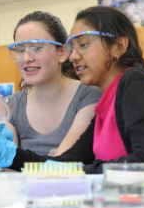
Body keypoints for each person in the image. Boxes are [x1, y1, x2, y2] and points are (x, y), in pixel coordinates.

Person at [0, 6, 144, 173]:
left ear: (118, 47)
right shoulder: (107, 104)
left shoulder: (137, 83)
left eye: (84, 45)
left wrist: (83, 173)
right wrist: (8, 155)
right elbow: (67, 163)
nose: (74, 55)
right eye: (72, 47)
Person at [6, 11, 101, 156]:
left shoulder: (88, 96)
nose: (26, 58)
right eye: (20, 49)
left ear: (62, 52)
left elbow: (61, 166)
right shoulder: (10, 106)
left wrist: (10, 158)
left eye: (37, 47)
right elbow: (7, 168)